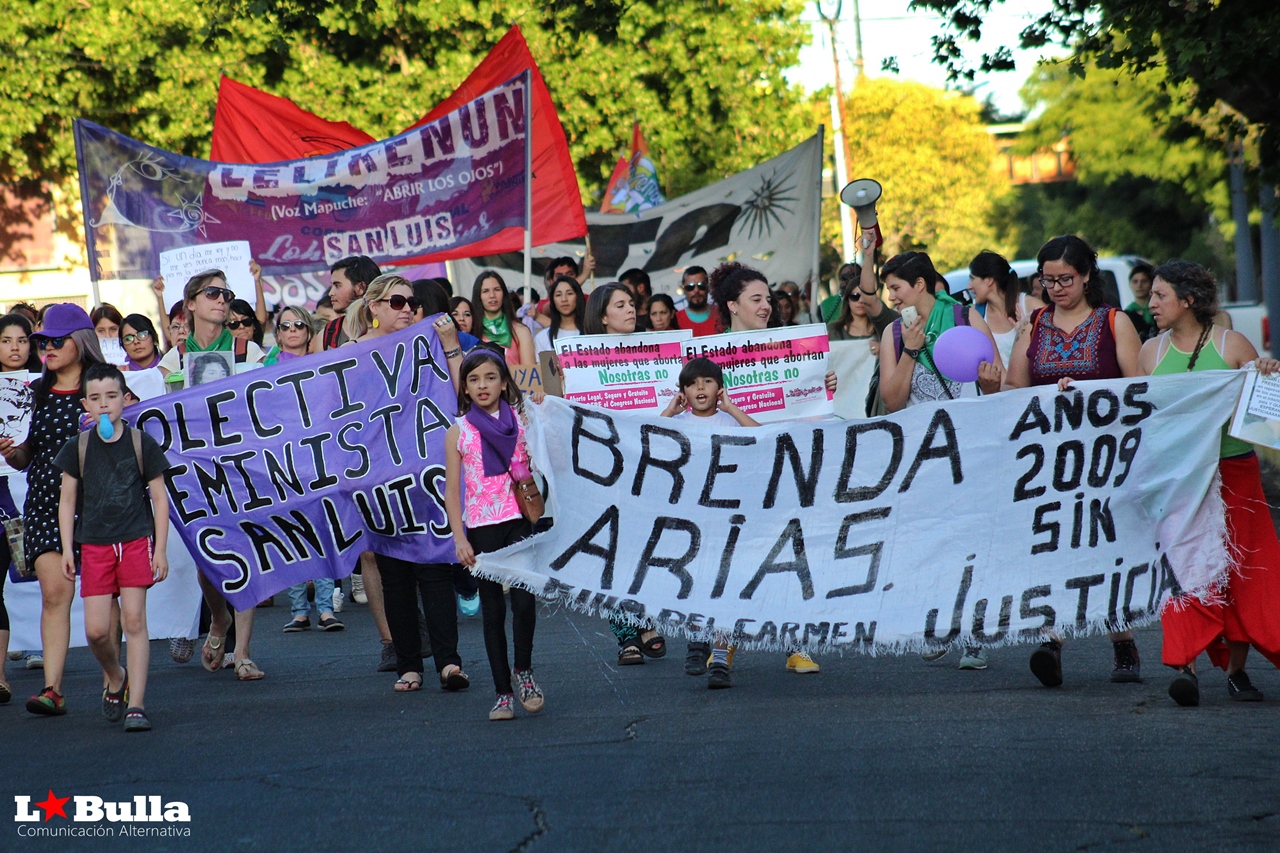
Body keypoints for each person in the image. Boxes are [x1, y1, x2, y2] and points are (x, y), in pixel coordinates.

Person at [1004, 235, 1144, 687]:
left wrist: (1088, 393)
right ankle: (1053, 638)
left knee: (1105, 546)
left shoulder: (1114, 322)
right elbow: (1013, 390)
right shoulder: (1033, 324)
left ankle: (1122, 641)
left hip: (1105, 457)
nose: (1057, 288)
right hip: (1049, 458)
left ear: (1086, 276)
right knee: (1055, 545)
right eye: (1048, 280)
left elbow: (1139, 391)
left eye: (1065, 278)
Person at [1138, 260, 1280, 706]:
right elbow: (1130, 414)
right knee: (1184, 568)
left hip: (1234, 474)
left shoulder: (1231, 343)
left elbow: (1264, 414)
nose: (1152, 303)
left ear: (1188, 301)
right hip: (1177, 479)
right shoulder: (1150, 353)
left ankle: (1238, 672)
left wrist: (1269, 373)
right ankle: (1185, 666)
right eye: (1152, 295)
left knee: (1245, 569)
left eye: (1161, 295)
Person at [706, 261, 838, 678]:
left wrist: (821, 388)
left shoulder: (790, 346)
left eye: (768, 299)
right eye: (756, 299)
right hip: (733, 465)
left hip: (783, 462)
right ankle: (721, 647)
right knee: (730, 554)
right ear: (732, 305)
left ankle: (796, 643)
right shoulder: (709, 354)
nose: (766, 307)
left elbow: (806, 405)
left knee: (792, 549)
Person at [346, 274, 470, 692]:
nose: (406, 309)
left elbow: (462, 394)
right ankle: (409, 665)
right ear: (373, 308)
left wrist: (451, 344)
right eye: (396, 302)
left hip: (427, 474)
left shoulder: (429, 342)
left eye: (411, 302)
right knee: (395, 573)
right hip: (378, 478)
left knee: (436, 566)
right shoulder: (349, 354)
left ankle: (449, 663)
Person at [157, 270, 267, 680]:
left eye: (227, 294)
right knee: (209, 560)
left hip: (242, 466)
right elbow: (164, 414)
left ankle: (243, 651)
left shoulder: (247, 350)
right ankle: (219, 618)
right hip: (196, 470)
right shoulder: (174, 357)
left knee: (245, 554)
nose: (222, 300)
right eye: (213, 293)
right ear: (190, 304)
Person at [0, 304, 106, 715]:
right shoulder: (36, 392)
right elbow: (30, 455)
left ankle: (113, 680)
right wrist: (13, 454)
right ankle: (53, 688)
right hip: (44, 504)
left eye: (55, 340)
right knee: (53, 596)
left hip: (97, 504)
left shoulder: (101, 387)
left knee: (102, 600)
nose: (46, 348)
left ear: (80, 341)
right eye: (42, 341)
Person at [54, 363, 170, 731]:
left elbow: (159, 498)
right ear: (85, 404)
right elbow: (68, 500)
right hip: (95, 545)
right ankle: (116, 675)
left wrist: (160, 549)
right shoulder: (79, 446)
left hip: (135, 539)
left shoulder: (141, 442)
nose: (104, 404)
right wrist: (69, 548)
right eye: (95, 398)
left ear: (124, 399)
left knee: (134, 621)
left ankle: (137, 704)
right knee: (95, 631)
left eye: (111, 396)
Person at [446, 350, 545, 720]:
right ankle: (502, 692)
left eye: (490, 378)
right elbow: (452, 491)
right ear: (466, 388)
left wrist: (543, 403)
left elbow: (554, 440)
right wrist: (459, 538)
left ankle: (524, 672)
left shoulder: (524, 419)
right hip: (482, 529)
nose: (482, 385)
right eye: (474, 380)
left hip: (519, 522)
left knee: (522, 604)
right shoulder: (458, 430)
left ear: (504, 382)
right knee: (492, 612)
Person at [660, 357, 759, 687]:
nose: (700, 388)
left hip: (726, 519)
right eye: (692, 383)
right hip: (690, 520)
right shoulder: (679, 423)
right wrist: (671, 413)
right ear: (683, 392)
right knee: (693, 583)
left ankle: (719, 656)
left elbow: (765, 438)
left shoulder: (729, 422)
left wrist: (731, 409)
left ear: (720, 388)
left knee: (724, 586)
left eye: (707, 381)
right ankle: (696, 641)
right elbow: (651, 441)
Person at [878, 251, 1003, 414]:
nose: (891, 297)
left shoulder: (966, 318)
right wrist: (910, 350)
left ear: (919, 284)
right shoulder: (893, 333)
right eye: (889, 290)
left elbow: (1000, 378)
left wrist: (991, 388)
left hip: (969, 430)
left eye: (895, 288)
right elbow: (891, 403)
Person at [0, 312, 42, 703]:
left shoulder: (44, 388)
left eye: (22, 340)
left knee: (35, 570)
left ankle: (41, 646)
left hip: (32, 490)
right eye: (6, 340)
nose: (15, 347)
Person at [968, 250, 1044, 366]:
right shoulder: (975, 314)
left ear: (989, 280)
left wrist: (1027, 334)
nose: (969, 286)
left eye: (972, 279)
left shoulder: (1032, 307)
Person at [311, 255, 380, 354]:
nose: (331, 293)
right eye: (332, 286)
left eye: (337, 285)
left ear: (360, 287)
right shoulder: (326, 336)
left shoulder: (392, 327)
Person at [472, 270, 535, 367]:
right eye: (485, 291)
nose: (492, 295)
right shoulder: (472, 330)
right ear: (478, 296)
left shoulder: (520, 331)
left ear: (504, 294)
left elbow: (530, 374)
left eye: (497, 289)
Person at [534, 275, 584, 355]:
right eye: (558, 295)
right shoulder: (542, 338)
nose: (564, 299)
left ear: (578, 296)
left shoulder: (593, 334)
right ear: (553, 300)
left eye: (569, 293)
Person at [676, 266, 720, 336]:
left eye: (701, 285)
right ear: (683, 289)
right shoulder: (675, 320)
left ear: (708, 287)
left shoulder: (721, 314)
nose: (696, 290)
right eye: (690, 286)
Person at [1124, 261, 1156, 340]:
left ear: (1151, 284)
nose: (1139, 285)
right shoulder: (1126, 314)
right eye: (1135, 282)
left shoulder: (1158, 310)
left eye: (1144, 281)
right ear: (1130, 284)